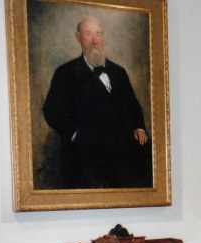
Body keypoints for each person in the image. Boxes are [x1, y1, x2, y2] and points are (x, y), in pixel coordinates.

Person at [43, 17, 151, 189]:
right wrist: (75, 133)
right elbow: (51, 110)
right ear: (78, 37)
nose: (95, 41)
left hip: (121, 154)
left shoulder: (118, 72)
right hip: (84, 155)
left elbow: (132, 104)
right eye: (88, 34)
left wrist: (139, 127)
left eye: (98, 34)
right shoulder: (65, 73)